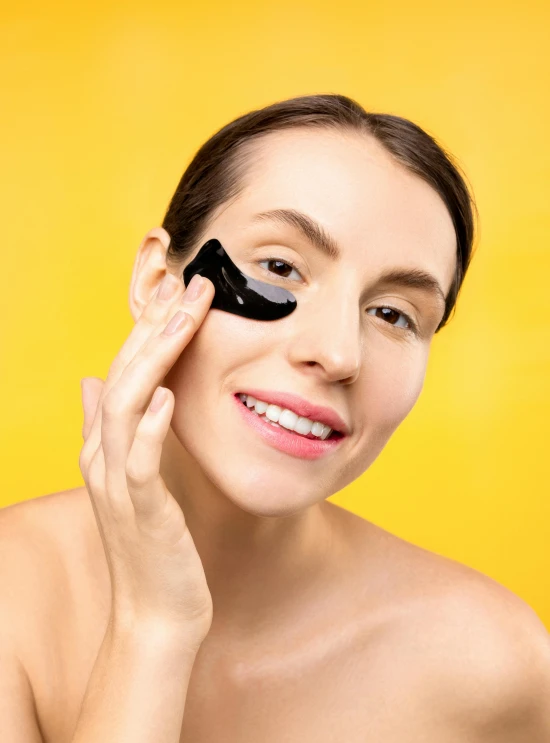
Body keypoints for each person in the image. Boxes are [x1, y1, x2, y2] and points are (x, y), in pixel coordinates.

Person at [1, 94, 549, 743]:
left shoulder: (491, 664)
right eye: (281, 268)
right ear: (156, 281)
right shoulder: (13, 601)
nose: (338, 352)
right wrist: (152, 628)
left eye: (394, 314)